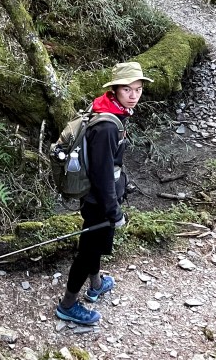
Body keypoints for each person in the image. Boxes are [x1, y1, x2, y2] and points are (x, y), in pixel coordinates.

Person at [55, 61, 152, 325]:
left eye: (138, 89)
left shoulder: (106, 108)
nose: (133, 95)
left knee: (95, 245)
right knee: (88, 251)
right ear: (116, 90)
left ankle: (96, 285)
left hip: (97, 198)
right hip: (98, 200)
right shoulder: (108, 126)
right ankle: (68, 305)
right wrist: (114, 212)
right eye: (127, 89)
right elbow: (102, 175)